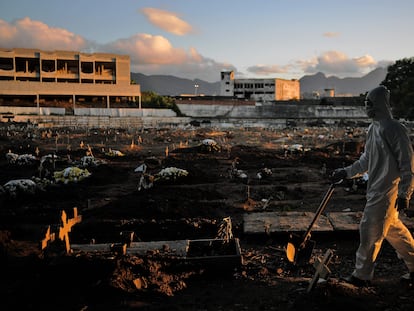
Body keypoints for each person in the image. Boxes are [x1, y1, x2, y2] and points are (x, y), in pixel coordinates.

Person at [331, 85, 414, 287]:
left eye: (369, 102)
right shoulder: (374, 128)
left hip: (388, 192)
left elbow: (408, 164)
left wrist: (405, 193)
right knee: (396, 232)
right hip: (376, 189)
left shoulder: (394, 129)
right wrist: (347, 172)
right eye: (366, 102)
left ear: (379, 104)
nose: (366, 106)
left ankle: (362, 276)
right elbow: (366, 160)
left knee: (369, 232)